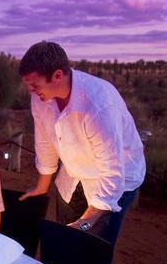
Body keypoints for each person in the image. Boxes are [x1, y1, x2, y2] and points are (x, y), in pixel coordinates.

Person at [18, 41, 145, 247]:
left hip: (115, 182)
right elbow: (45, 143)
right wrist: (42, 187)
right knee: (65, 245)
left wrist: (85, 223)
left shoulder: (97, 103)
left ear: (57, 75)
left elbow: (112, 172)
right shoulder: (40, 99)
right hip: (73, 175)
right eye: (28, 85)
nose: (31, 91)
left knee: (92, 256)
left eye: (35, 84)